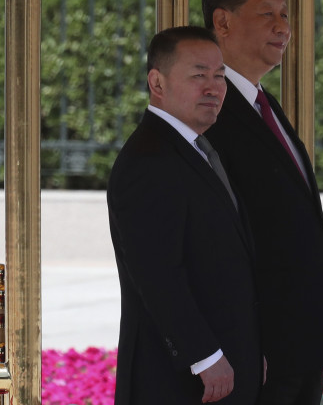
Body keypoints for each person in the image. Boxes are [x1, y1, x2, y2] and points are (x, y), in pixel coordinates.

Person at [202, 0, 323, 404]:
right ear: (223, 22)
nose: (283, 27)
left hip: (298, 343)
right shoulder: (210, 113)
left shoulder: (260, 102)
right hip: (261, 350)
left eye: (285, 15)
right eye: (267, 13)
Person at [107, 26, 262, 405]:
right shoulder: (149, 160)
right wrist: (205, 356)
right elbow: (157, 274)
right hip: (181, 381)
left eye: (219, 76)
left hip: (222, 368)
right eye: (198, 76)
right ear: (156, 83)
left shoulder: (195, 149)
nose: (213, 88)